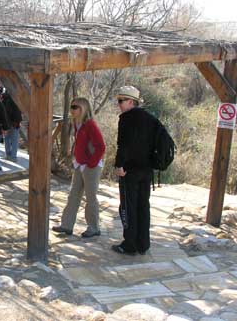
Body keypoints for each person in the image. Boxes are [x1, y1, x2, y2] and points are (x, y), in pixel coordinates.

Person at [112, 85, 159, 255]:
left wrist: (119, 165)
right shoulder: (151, 118)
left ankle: (129, 244)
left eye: (121, 101)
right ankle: (143, 243)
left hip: (129, 171)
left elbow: (122, 145)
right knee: (143, 206)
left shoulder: (126, 119)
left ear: (131, 101)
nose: (119, 104)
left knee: (128, 207)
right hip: (146, 170)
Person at [52, 97, 106, 238]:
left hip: (90, 167)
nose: (72, 109)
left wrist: (90, 164)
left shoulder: (90, 125)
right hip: (80, 165)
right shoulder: (77, 123)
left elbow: (101, 147)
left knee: (90, 197)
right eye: (71, 106)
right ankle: (66, 225)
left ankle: (94, 228)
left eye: (75, 107)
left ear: (83, 109)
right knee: (73, 195)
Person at [0, 89, 22, 162]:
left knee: (7, 138)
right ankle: (13, 157)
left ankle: (8, 155)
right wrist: (18, 121)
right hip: (15, 122)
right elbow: (18, 111)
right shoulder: (16, 98)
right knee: (15, 140)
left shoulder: (3, 99)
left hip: (6, 122)